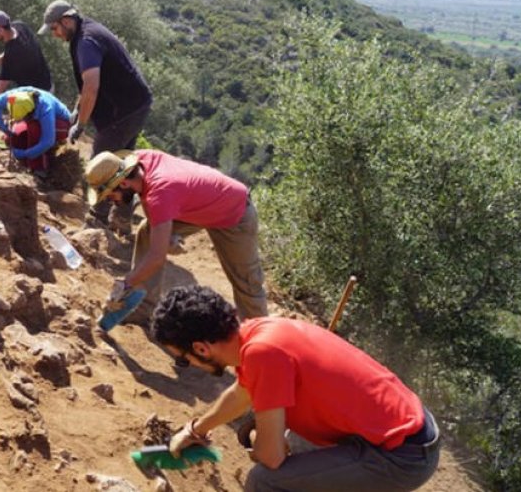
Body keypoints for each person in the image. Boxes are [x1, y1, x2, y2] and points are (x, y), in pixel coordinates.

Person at [153, 285, 440, 492]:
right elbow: (243, 393)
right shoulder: (258, 333)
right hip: (402, 429)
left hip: (401, 456)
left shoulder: (262, 354)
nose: (185, 364)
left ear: (201, 349)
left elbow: (271, 458)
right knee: (296, 448)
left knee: (265, 481)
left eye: (182, 359)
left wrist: (259, 440)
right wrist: (196, 431)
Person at [84, 149, 267, 319]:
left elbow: (157, 257)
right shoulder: (141, 161)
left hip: (235, 215)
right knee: (148, 231)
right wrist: (168, 237)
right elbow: (155, 208)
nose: (110, 201)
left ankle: (260, 342)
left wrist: (125, 284)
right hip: (197, 207)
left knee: (247, 283)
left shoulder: (160, 192)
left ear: (123, 183)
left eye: (109, 195)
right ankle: (143, 307)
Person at [38, 0, 151, 222]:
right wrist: (76, 110)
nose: (55, 34)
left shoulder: (86, 42)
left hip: (123, 111)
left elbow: (91, 86)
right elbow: (86, 85)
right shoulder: (87, 31)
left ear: (67, 21)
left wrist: (81, 123)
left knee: (100, 163)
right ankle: (123, 216)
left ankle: (96, 219)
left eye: (55, 28)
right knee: (123, 163)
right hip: (136, 104)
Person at [0, 9, 52, 124]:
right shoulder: (20, 26)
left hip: (37, 97)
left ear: (1, 30)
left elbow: (0, 87)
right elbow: (10, 51)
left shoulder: (14, 53)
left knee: (23, 132)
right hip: (47, 83)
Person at [0, 87, 71, 175]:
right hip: (38, 119)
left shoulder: (46, 108)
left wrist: (24, 154)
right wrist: (3, 127)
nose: (23, 120)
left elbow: (48, 141)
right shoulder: (13, 97)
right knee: (15, 134)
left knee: (34, 128)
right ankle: (29, 154)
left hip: (62, 125)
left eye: (24, 118)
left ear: (30, 112)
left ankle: (40, 168)